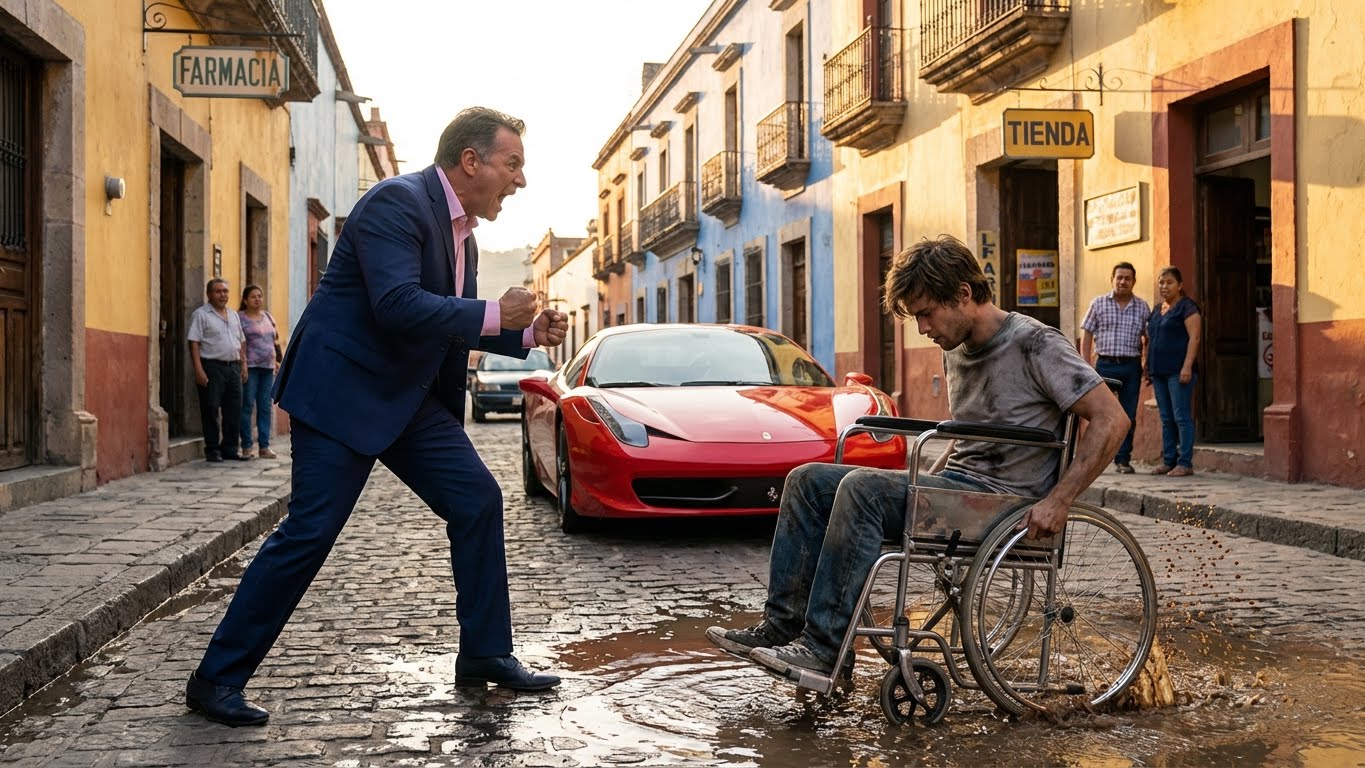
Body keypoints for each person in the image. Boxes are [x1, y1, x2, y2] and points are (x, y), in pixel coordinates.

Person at [186, 107, 569, 728]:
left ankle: (484, 653)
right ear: (471, 161)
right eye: (512, 164)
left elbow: (445, 320)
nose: (519, 180)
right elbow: (396, 305)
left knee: (477, 501)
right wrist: (499, 314)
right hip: (342, 391)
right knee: (310, 532)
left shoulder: (463, 233)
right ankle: (216, 678)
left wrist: (522, 335)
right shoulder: (396, 202)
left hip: (408, 397)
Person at [706, 235, 1129, 683]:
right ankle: (783, 627)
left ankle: (824, 648)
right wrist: (921, 478)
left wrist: (1060, 500)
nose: (923, 328)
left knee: (862, 491)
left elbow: (1111, 420)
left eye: (926, 313)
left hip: (1005, 502)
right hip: (959, 490)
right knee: (807, 480)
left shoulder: (1036, 343)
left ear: (964, 294)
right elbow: (965, 433)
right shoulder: (958, 350)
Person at [1080, 262, 1151, 474]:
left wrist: (1146, 362)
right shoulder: (1098, 303)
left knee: (1127, 416)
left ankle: (1122, 460)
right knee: (1100, 414)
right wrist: (1086, 365)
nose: (1123, 282)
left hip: (1131, 366)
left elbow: (1148, 338)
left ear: (1134, 282)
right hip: (1104, 366)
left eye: (1127, 278)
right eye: (1119, 277)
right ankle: (1093, 459)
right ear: (1112, 279)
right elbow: (1087, 335)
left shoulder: (1142, 307)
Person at [1146, 266, 1201, 477]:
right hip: (1159, 371)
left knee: (1181, 417)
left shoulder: (1187, 307)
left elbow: (1194, 338)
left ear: (1180, 285)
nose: (1164, 286)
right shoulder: (1158, 309)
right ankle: (1169, 460)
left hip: (1179, 372)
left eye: (1169, 282)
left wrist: (1187, 366)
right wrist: (1147, 367)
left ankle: (1185, 462)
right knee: (1166, 417)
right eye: (1161, 282)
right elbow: (1150, 340)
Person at [187, 278, 248, 463]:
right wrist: (198, 369)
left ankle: (230, 448)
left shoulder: (234, 315)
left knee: (234, 409)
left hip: (234, 367)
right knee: (211, 408)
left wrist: (243, 364)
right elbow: (194, 342)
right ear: (209, 294)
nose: (223, 295)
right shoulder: (201, 315)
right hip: (212, 367)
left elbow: (242, 341)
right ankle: (212, 449)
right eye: (218, 291)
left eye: (225, 291)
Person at [237, 284, 279, 459]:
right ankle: (247, 446)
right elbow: (239, 343)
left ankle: (264, 446)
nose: (258, 299)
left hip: (267, 368)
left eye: (260, 296)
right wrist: (243, 365)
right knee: (247, 405)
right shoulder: (239, 318)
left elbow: (274, 340)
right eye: (253, 297)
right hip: (251, 367)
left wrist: (278, 360)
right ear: (245, 300)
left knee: (265, 407)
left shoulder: (268, 316)